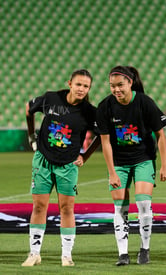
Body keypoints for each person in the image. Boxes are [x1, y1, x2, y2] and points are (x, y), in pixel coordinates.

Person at [22, 69, 100, 267]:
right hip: (43, 161)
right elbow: (28, 108)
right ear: (70, 83)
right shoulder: (51, 98)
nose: (81, 89)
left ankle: (66, 255)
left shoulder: (90, 112)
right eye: (78, 84)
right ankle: (34, 253)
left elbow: (102, 134)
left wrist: (86, 155)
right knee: (39, 207)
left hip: (68, 166)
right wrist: (31, 136)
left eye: (86, 86)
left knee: (67, 209)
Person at [96, 65, 166, 266]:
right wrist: (112, 173)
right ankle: (123, 254)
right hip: (119, 162)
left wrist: (164, 164)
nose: (116, 90)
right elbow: (105, 142)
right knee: (120, 207)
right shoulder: (105, 107)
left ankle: (144, 249)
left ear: (130, 83)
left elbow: (160, 134)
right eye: (112, 86)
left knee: (143, 204)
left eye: (120, 85)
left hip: (143, 159)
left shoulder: (144, 102)